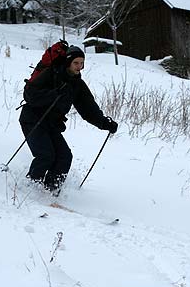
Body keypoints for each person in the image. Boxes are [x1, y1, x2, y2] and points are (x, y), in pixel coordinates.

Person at [19, 45, 118, 194]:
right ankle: (31, 189)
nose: (79, 67)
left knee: (65, 157)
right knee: (46, 155)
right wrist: (54, 93)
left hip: (51, 124)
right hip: (32, 120)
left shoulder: (77, 84)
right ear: (68, 62)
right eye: (76, 63)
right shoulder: (51, 73)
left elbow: (88, 108)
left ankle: (50, 191)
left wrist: (105, 123)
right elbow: (29, 96)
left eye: (81, 63)